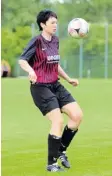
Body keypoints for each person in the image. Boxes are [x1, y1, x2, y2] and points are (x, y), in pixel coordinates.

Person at [19, 9, 83, 172]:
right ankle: (51, 164)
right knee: (58, 121)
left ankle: (61, 150)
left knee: (77, 116)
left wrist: (68, 79)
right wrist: (31, 71)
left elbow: (55, 64)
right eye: (52, 22)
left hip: (55, 85)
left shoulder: (55, 41)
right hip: (40, 87)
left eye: (56, 22)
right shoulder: (36, 41)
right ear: (42, 24)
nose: (55, 25)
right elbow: (22, 60)